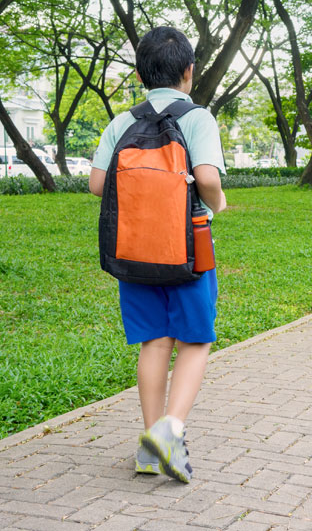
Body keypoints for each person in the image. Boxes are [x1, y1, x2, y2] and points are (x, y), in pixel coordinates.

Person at [89, 26, 227, 482]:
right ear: (189, 72)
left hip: (134, 250)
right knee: (195, 341)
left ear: (140, 74)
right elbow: (206, 175)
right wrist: (219, 202)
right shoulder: (198, 117)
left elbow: (96, 184)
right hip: (188, 248)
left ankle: (150, 443)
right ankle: (170, 435)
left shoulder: (121, 122)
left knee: (155, 341)